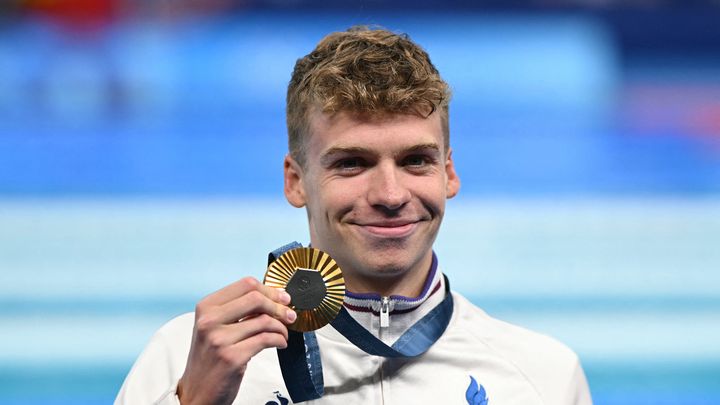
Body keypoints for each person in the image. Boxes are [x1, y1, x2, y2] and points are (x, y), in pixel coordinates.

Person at [116, 26, 593, 405]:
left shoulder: (543, 377)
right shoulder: (186, 357)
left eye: (415, 161)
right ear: (295, 181)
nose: (390, 194)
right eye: (352, 163)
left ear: (448, 172)